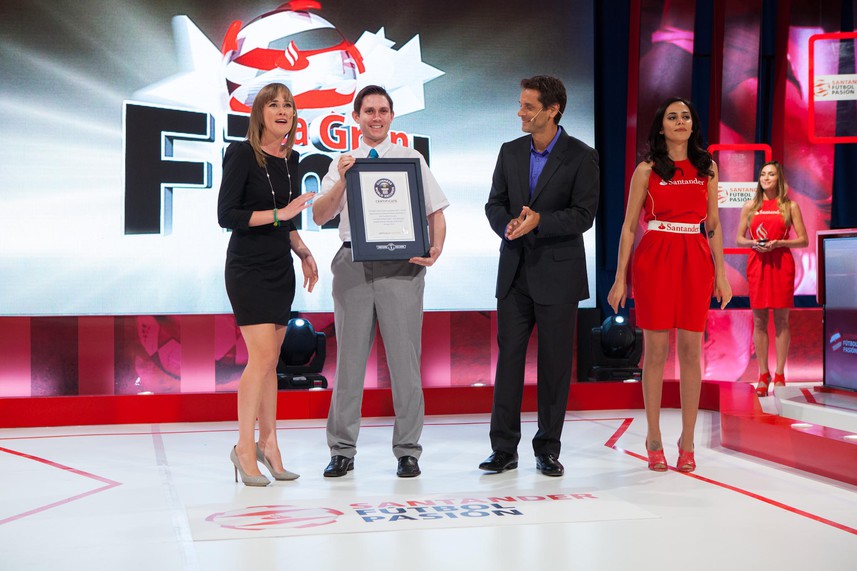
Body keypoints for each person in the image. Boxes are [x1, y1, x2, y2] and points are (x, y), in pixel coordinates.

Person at [312, 85, 449, 478]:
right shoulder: (343, 162)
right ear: (356, 117)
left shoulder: (410, 158)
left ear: (391, 116)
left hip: (401, 266)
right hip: (353, 264)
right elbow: (320, 215)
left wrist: (436, 248)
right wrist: (343, 179)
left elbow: (436, 211)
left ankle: (408, 451)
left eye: (383, 110)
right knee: (350, 364)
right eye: (369, 110)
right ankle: (342, 451)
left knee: (405, 363)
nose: (376, 117)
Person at [480, 75, 599, 477]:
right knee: (508, 363)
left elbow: (583, 215)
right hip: (514, 273)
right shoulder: (510, 151)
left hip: (558, 276)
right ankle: (503, 449)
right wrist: (508, 225)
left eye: (528, 106)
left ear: (552, 110)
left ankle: (547, 449)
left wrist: (540, 222)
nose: (520, 112)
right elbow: (494, 203)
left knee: (554, 366)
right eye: (521, 104)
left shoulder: (582, 156)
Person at [608, 96, 732, 473]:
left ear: (693, 125)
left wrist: (721, 274)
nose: (680, 122)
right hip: (656, 257)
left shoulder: (707, 167)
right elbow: (629, 227)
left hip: (695, 257)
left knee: (692, 350)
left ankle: (688, 440)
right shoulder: (646, 170)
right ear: (661, 127)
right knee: (656, 351)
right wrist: (619, 278)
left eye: (686, 117)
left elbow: (713, 224)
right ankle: (654, 437)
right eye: (672, 117)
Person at [217, 83, 317, 486]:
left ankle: (269, 444)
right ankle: (243, 447)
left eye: (288, 105)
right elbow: (227, 215)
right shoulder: (242, 154)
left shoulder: (291, 160)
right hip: (248, 268)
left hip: (280, 267)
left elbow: (289, 220)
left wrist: (303, 250)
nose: (282, 111)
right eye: (273, 104)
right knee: (260, 359)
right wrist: (281, 214)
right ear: (259, 113)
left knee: (271, 362)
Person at [735, 161, 808, 396]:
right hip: (757, 263)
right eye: (763, 174)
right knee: (759, 321)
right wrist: (754, 243)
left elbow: (803, 240)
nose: (766, 178)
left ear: (779, 178)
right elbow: (739, 239)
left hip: (781, 263)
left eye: (771, 174)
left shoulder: (790, 206)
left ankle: (780, 375)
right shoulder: (750, 206)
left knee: (782, 321)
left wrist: (780, 243)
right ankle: (763, 375)